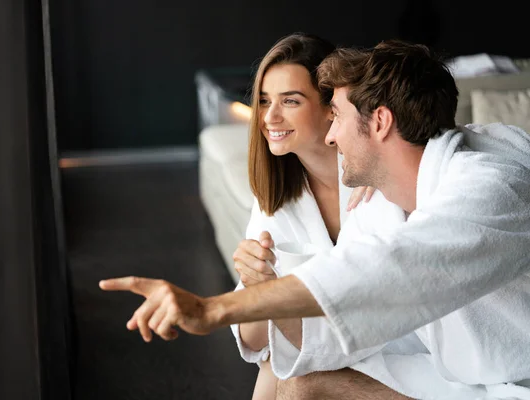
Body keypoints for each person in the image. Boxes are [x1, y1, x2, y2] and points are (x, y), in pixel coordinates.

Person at [100, 40, 530, 399]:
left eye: (337, 116)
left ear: (380, 122)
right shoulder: (390, 195)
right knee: (297, 382)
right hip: (459, 375)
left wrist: (212, 308)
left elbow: (393, 267)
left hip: (514, 381)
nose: (330, 134)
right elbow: (323, 332)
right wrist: (261, 292)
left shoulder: (489, 185)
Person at [227, 33, 386, 400]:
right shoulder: (276, 197)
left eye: (291, 101)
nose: (270, 117)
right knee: (277, 362)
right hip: (323, 343)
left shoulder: (381, 174)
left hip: (393, 346)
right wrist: (258, 286)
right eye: (264, 101)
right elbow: (255, 343)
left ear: (332, 105)